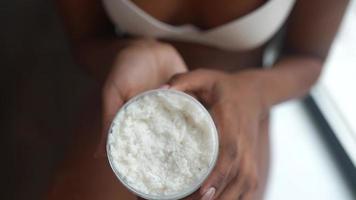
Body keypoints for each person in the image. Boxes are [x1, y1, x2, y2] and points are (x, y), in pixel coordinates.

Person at [48, 0, 349, 199]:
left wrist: (254, 92)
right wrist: (127, 53)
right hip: (130, 108)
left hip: (239, 113)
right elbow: (87, 38)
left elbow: (309, 59)